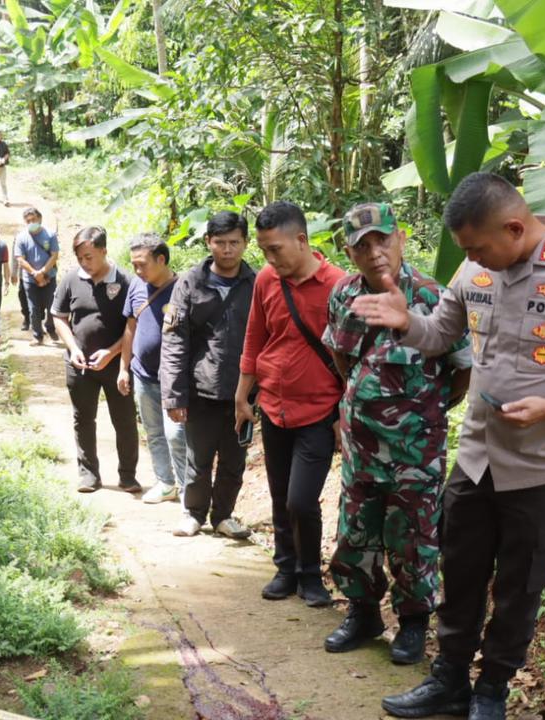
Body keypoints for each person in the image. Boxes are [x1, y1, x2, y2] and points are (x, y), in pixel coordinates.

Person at [352, 173, 545, 720]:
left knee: (518, 589)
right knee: (460, 573)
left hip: (544, 468)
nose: (471, 259)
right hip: (476, 459)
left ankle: (491, 690)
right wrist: (405, 322)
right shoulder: (474, 268)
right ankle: (448, 682)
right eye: (466, 251)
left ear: (514, 227)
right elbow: (440, 335)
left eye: (478, 248)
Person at [320, 203, 472, 665]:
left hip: (415, 450)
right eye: (362, 245)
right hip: (362, 446)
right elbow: (341, 358)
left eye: (382, 239)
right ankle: (363, 613)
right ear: (349, 251)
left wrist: (426, 415)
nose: (375, 252)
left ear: (400, 238)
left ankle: (411, 625)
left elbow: (461, 371)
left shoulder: (432, 296)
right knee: (357, 532)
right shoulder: (345, 295)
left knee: (413, 539)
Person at [235, 201, 345, 607]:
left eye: (275, 249)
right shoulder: (267, 279)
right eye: (263, 251)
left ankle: (311, 574)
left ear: (301, 240)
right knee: (280, 494)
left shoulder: (339, 285)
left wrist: (344, 413)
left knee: (302, 499)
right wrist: (242, 394)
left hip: (319, 411)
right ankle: (286, 568)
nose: (269, 258)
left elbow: (354, 357)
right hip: (274, 407)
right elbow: (255, 336)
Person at [160, 211, 256, 539]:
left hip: (242, 392)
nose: (227, 250)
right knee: (198, 458)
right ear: (208, 242)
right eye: (220, 243)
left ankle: (224, 516)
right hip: (200, 389)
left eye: (234, 243)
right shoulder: (189, 283)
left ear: (245, 243)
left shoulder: (256, 284)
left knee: (234, 460)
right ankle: (193, 513)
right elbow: (174, 340)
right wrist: (174, 395)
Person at [51, 226, 141, 494]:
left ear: (104, 251)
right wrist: (72, 347)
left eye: (89, 257)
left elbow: (132, 326)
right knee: (83, 418)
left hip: (117, 365)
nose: (84, 263)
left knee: (124, 419)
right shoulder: (70, 280)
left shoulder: (125, 281)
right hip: (79, 364)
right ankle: (89, 474)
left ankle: (128, 475)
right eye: (80, 258)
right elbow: (59, 317)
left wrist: (111, 353)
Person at [117, 233, 188, 505]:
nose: (137, 270)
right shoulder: (136, 285)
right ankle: (165, 482)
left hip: (174, 379)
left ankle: (186, 489)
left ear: (161, 259)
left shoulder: (183, 288)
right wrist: (124, 368)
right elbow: (130, 327)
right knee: (154, 432)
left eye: (142, 264)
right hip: (143, 374)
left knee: (177, 435)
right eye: (133, 264)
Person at [15, 207, 60, 345]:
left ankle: (50, 328)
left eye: (33, 219)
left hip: (49, 277)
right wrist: (34, 273)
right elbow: (20, 259)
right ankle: (37, 335)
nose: (31, 222)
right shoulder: (21, 237)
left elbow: (54, 255)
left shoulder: (50, 235)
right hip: (30, 279)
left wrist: (43, 272)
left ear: (40, 219)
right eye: (28, 221)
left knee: (52, 305)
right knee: (33, 309)